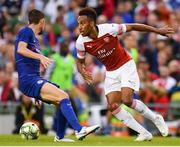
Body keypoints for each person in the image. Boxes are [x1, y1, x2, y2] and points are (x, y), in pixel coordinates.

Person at [76, 7, 174, 141]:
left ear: (92, 23)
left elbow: (133, 27)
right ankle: (144, 133)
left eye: (82, 23)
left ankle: (156, 118)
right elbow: (79, 61)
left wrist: (157, 31)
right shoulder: (81, 42)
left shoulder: (109, 29)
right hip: (111, 71)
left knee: (127, 100)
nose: (79, 27)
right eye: (78, 24)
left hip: (125, 65)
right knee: (113, 106)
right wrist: (82, 72)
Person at [14, 9, 100, 142]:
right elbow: (20, 49)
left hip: (33, 80)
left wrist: (36, 94)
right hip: (29, 80)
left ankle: (59, 137)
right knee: (64, 96)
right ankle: (79, 129)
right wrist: (40, 56)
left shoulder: (34, 39)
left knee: (61, 101)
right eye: (45, 23)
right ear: (42, 21)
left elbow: (28, 62)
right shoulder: (26, 32)